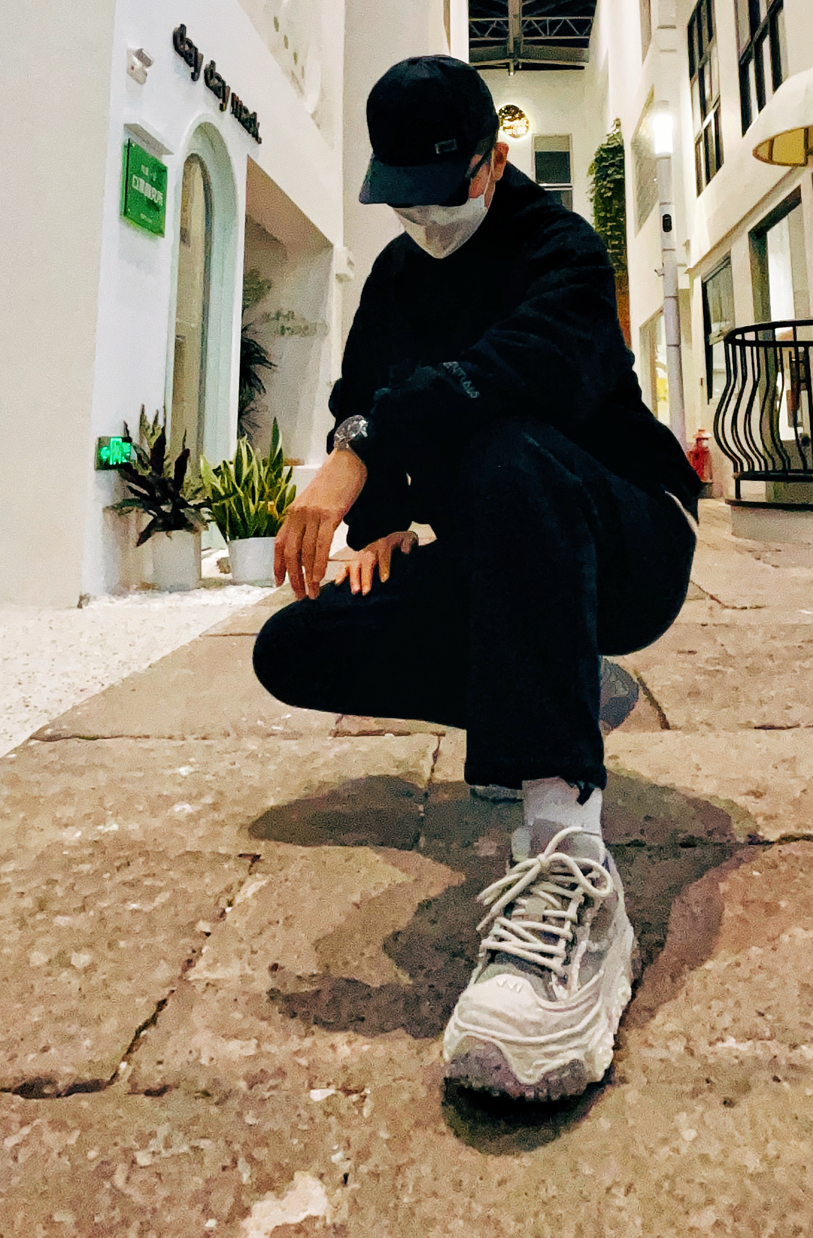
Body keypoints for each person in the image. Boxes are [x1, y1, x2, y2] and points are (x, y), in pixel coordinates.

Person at [253, 55, 700, 1101]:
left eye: (440, 194)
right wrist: (378, 525)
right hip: (504, 555)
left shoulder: (562, 249)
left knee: (509, 448)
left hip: (629, 539)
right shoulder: (396, 277)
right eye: (402, 199)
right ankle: (558, 684)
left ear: (493, 162)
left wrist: (360, 453)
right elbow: (359, 393)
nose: (424, 219)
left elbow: (514, 373)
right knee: (300, 645)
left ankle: (568, 848)